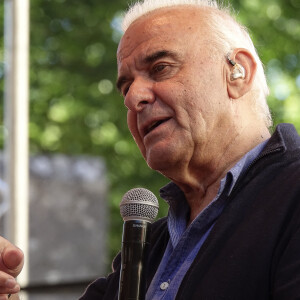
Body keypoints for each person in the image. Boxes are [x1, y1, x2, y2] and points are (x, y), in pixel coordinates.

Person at [1, 0, 300, 299]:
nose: (133, 98)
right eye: (126, 86)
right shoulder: (147, 247)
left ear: (238, 72)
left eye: (160, 68)